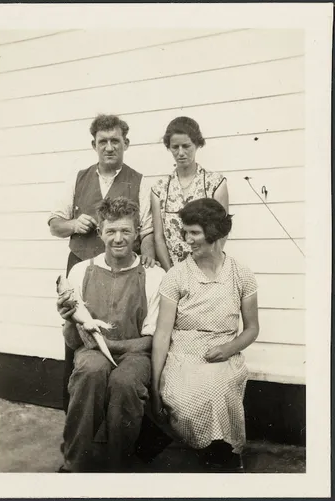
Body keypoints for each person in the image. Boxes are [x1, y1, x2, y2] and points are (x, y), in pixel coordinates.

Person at [48, 114, 156, 412]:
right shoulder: (78, 177)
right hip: (82, 264)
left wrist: (147, 252)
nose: (109, 147)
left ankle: (122, 412)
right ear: (94, 145)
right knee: (77, 336)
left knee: (125, 335)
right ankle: (76, 410)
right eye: (103, 142)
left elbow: (146, 228)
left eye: (115, 141)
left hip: (124, 269)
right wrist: (72, 223)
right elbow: (54, 225)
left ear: (126, 143)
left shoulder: (139, 181)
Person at [56, 197, 165, 472]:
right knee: (90, 373)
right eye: (111, 231)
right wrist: (69, 320)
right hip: (92, 353)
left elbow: (151, 340)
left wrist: (108, 344)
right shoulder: (81, 271)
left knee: (125, 382)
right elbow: (72, 342)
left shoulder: (154, 275)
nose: (118, 238)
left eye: (126, 231)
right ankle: (74, 461)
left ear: (137, 232)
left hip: (136, 355)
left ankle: (118, 466)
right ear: (100, 232)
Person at [151, 198, 259, 471]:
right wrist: (154, 384)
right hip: (184, 352)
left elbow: (252, 328)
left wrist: (229, 348)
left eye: (195, 232)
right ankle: (209, 449)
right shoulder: (176, 276)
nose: (188, 239)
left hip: (223, 351)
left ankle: (223, 454)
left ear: (214, 233)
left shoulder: (241, 274)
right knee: (186, 400)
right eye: (185, 232)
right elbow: (163, 334)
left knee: (218, 389)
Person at [151, 116, 229, 271]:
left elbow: (221, 232)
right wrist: (171, 274)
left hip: (207, 269)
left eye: (186, 146)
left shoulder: (215, 183)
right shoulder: (159, 189)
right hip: (173, 271)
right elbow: (158, 237)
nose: (181, 153)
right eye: (175, 147)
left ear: (197, 144)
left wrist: (204, 270)